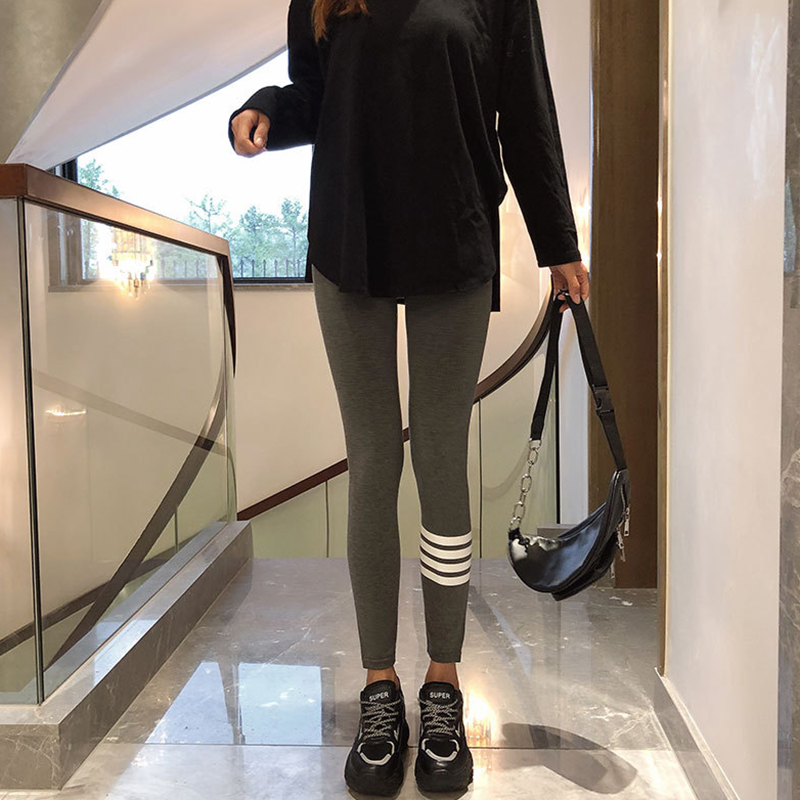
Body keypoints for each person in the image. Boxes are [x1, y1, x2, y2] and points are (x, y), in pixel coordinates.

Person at [228, 0, 590, 792]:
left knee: (438, 458)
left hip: (454, 240)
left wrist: (558, 242)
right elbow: (316, 94)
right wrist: (264, 110)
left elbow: (527, 111)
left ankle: (443, 683)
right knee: (372, 462)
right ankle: (379, 686)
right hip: (348, 240)